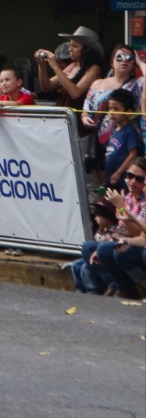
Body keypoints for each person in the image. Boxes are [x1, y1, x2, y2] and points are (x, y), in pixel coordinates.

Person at [81, 44, 143, 184]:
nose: (124, 61)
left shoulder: (138, 84)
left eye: (129, 58)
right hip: (100, 144)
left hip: (125, 144)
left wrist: (140, 63)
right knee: (104, 191)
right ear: (111, 62)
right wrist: (85, 118)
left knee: (122, 188)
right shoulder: (97, 84)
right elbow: (86, 109)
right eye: (119, 57)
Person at [35, 26, 105, 135]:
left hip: (79, 122)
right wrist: (41, 66)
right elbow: (46, 87)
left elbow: (75, 93)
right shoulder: (73, 65)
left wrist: (55, 67)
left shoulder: (94, 69)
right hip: (63, 121)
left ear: (86, 49)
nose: (70, 49)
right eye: (70, 45)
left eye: (75, 46)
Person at [94, 157, 146, 298]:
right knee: (91, 248)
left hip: (137, 242)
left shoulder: (141, 201)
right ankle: (120, 286)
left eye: (139, 179)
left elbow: (137, 234)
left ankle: (134, 288)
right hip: (131, 239)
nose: (133, 181)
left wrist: (121, 207)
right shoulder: (127, 198)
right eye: (130, 176)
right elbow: (123, 227)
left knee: (117, 251)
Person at [71, 202, 118, 293]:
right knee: (76, 264)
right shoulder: (100, 231)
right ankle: (80, 289)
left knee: (86, 267)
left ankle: (92, 291)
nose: (95, 218)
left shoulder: (114, 231)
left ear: (107, 217)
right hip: (94, 257)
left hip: (105, 258)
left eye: (98, 215)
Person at [102, 89, 142, 191]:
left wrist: (118, 173)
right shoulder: (115, 130)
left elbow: (133, 154)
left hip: (122, 181)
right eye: (110, 108)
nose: (111, 112)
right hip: (111, 180)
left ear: (128, 112)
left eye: (116, 109)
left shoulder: (130, 131)